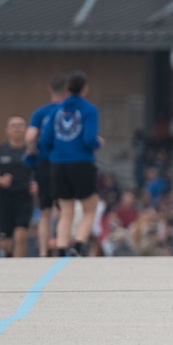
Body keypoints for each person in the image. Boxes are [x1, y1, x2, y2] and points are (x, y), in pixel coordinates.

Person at [44, 72, 102, 258]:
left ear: (68, 88)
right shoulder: (89, 109)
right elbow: (88, 139)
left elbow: (45, 140)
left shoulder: (56, 110)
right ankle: (78, 245)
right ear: (85, 88)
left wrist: (57, 152)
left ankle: (61, 248)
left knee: (65, 209)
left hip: (58, 163)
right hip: (81, 162)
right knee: (90, 206)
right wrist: (98, 143)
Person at [0, 116, 34, 257]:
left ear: (25, 130)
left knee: (21, 235)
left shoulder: (31, 151)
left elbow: (41, 171)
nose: (17, 128)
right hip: (4, 199)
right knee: (5, 242)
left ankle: (18, 268)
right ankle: (8, 259)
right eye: (13, 125)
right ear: (7, 130)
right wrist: (0, 179)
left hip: (24, 198)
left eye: (20, 125)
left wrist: (37, 184)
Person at [25, 76, 64, 256]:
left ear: (50, 89)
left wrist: (32, 149)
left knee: (45, 210)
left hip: (45, 162)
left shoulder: (41, 112)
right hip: (65, 161)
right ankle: (61, 246)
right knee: (66, 208)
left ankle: (43, 252)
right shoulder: (69, 111)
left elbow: (30, 137)